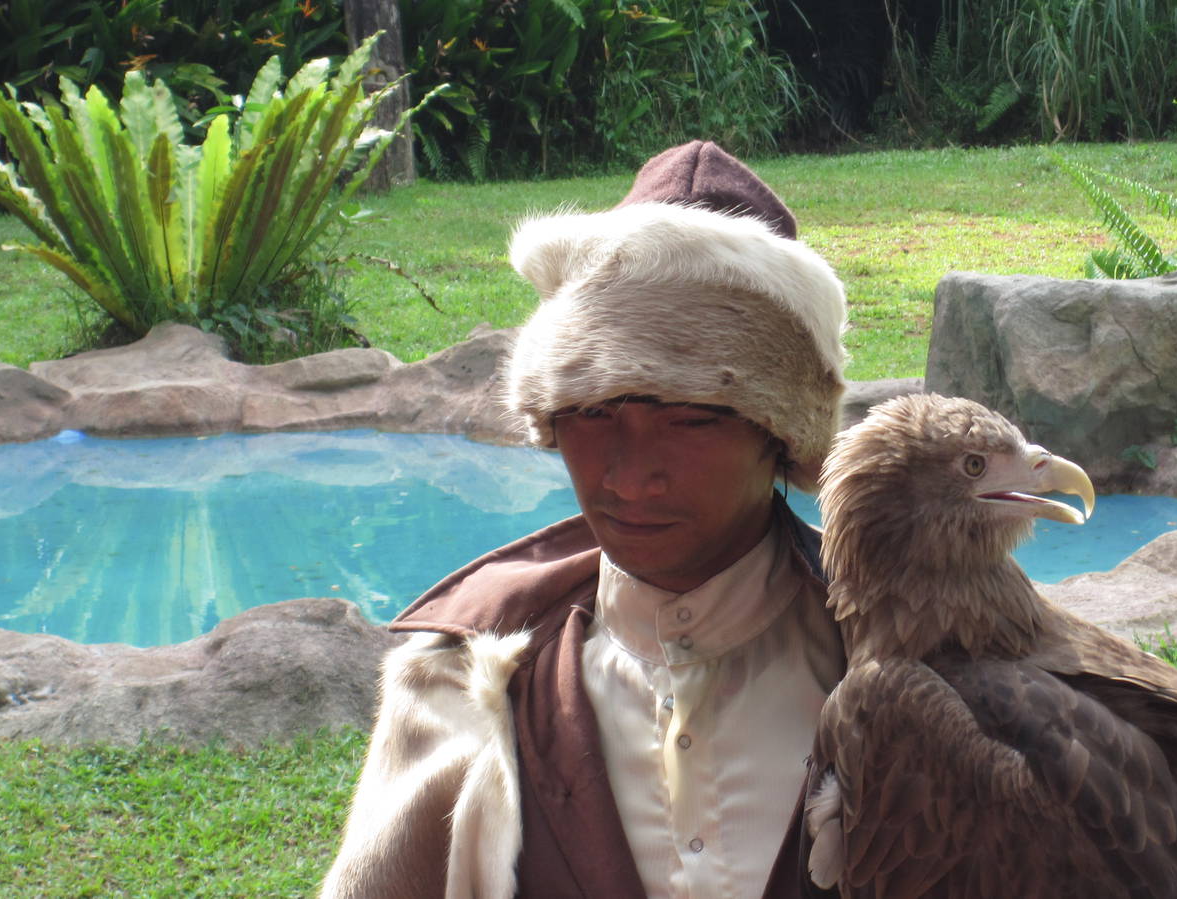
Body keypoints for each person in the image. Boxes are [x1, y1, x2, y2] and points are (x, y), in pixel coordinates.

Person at [321, 141, 849, 899]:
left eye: (693, 418)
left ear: (782, 433)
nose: (630, 473)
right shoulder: (462, 682)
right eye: (592, 410)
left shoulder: (905, 653)